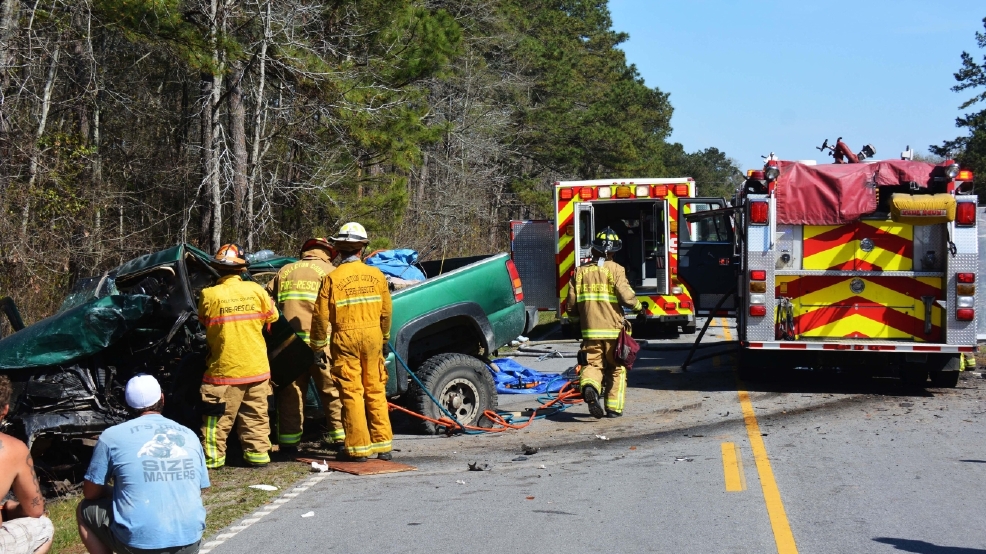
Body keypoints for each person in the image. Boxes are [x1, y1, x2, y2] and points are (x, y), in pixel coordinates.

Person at [77, 374, 208, 554]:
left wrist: (115, 492)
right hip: (190, 540)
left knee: (84, 509)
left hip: (138, 545)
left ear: (127, 404)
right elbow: (199, 488)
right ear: (162, 398)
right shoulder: (189, 434)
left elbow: (90, 493)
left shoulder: (111, 437)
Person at [310, 222, 393, 462]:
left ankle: (358, 449)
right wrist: (384, 338)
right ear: (362, 249)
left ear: (338, 249)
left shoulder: (332, 278)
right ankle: (383, 445)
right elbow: (386, 312)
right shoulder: (376, 276)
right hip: (373, 338)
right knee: (375, 389)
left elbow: (320, 317)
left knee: (352, 393)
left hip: (344, 340)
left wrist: (317, 346)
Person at [197, 244, 279, 468]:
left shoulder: (208, 295)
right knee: (256, 417)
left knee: (217, 420)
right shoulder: (256, 290)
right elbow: (273, 318)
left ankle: (213, 460)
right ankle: (258, 456)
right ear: (242, 269)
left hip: (224, 372)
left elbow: (203, 322)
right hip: (256, 369)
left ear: (216, 269)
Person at [266, 238, 346, 452]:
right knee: (331, 391)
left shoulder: (285, 271)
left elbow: (266, 300)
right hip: (322, 344)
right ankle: (340, 439)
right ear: (328, 253)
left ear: (305, 251)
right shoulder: (331, 271)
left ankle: (289, 445)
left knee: (291, 394)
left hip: (290, 345)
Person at [566, 227, 642, 419]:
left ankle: (591, 387)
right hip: (614, 331)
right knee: (617, 367)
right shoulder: (616, 270)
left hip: (590, 331)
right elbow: (626, 297)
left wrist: (576, 323)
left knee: (592, 365)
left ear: (594, 249)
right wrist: (640, 309)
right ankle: (613, 409)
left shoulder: (579, 272)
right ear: (613, 252)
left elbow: (571, 305)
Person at [0, 376, 52, 554]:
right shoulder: (14, 449)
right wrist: (9, 509)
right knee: (43, 525)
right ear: (5, 409)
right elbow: (35, 510)